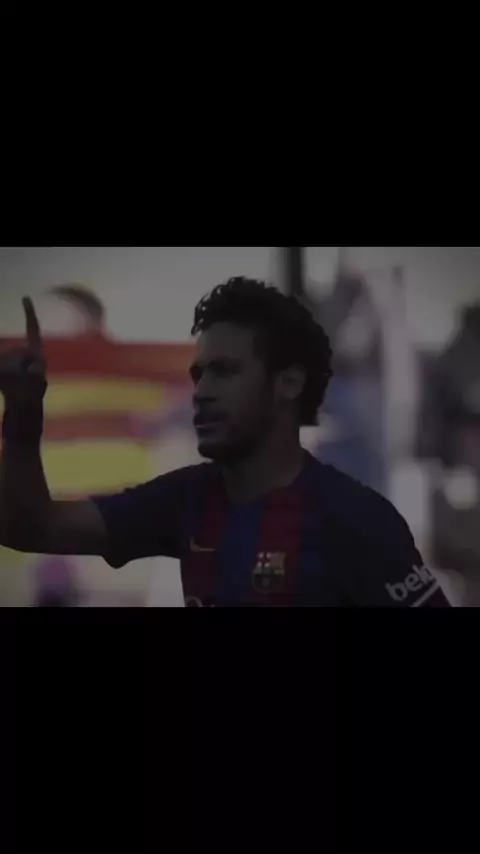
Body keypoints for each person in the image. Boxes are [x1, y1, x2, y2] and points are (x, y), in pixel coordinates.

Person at [0, 278, 449, 607]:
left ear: (289, 383)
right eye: (199, 375)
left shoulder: (358, 520)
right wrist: (22, 417)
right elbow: (31, 529)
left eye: (225, 372)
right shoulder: (184, 499)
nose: (202, 392)